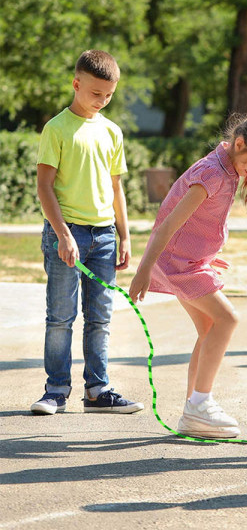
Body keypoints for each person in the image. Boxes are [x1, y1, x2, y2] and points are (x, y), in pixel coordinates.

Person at [129, 113, 247, 439]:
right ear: (240, 144)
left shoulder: (227, 168)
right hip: (179, 264)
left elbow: (198, 223)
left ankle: (194, 410)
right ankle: (199, 404)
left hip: (189, 260)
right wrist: (143, 269)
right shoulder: (213, 174)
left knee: (208, 330)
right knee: (227, 320)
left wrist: (209, 254)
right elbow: (169, 224)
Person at [32, 49, 143, 415]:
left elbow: (116, 189)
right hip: (67, 234)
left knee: (100, 318)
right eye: (96, 93)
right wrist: (62, 233)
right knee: (61, 317)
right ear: (76, 84)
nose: (102, 100)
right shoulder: (57, 128)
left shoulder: (112, 131)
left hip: (104, 236)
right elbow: (44, 187)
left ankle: (98, 390)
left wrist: (124, 235)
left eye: (109, 95)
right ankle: (55, 391)